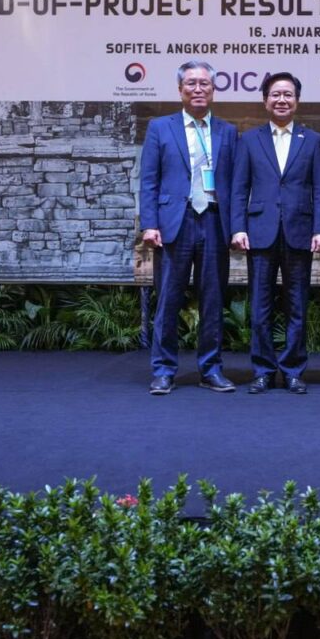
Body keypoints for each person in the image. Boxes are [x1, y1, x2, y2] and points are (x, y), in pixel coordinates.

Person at [139, 61, 238, 395]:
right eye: (191, 83)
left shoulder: (227, 131)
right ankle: (163, 370)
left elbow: (236, 185)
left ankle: (210, 369)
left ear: (213, 90)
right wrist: (149, 223)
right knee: (168, 300)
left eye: (204, 83)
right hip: (174, 224)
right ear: (180, 89)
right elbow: (149, 180)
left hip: (214, 221)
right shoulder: (160, 127)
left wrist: (236, 227)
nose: (198, 89)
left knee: (213, 301)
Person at [230, 72, 320, 394]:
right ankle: (262, 370)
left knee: (297, 306)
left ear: (297, 101)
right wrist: (238, 227)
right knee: (260, 307)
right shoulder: (249, 139)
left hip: (300, 232)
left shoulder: (311, 140)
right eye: (276, 94)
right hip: (259, 232)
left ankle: (293, 371)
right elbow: (239, 188)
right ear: (265, 101)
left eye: (288, 95)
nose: (282, 100)